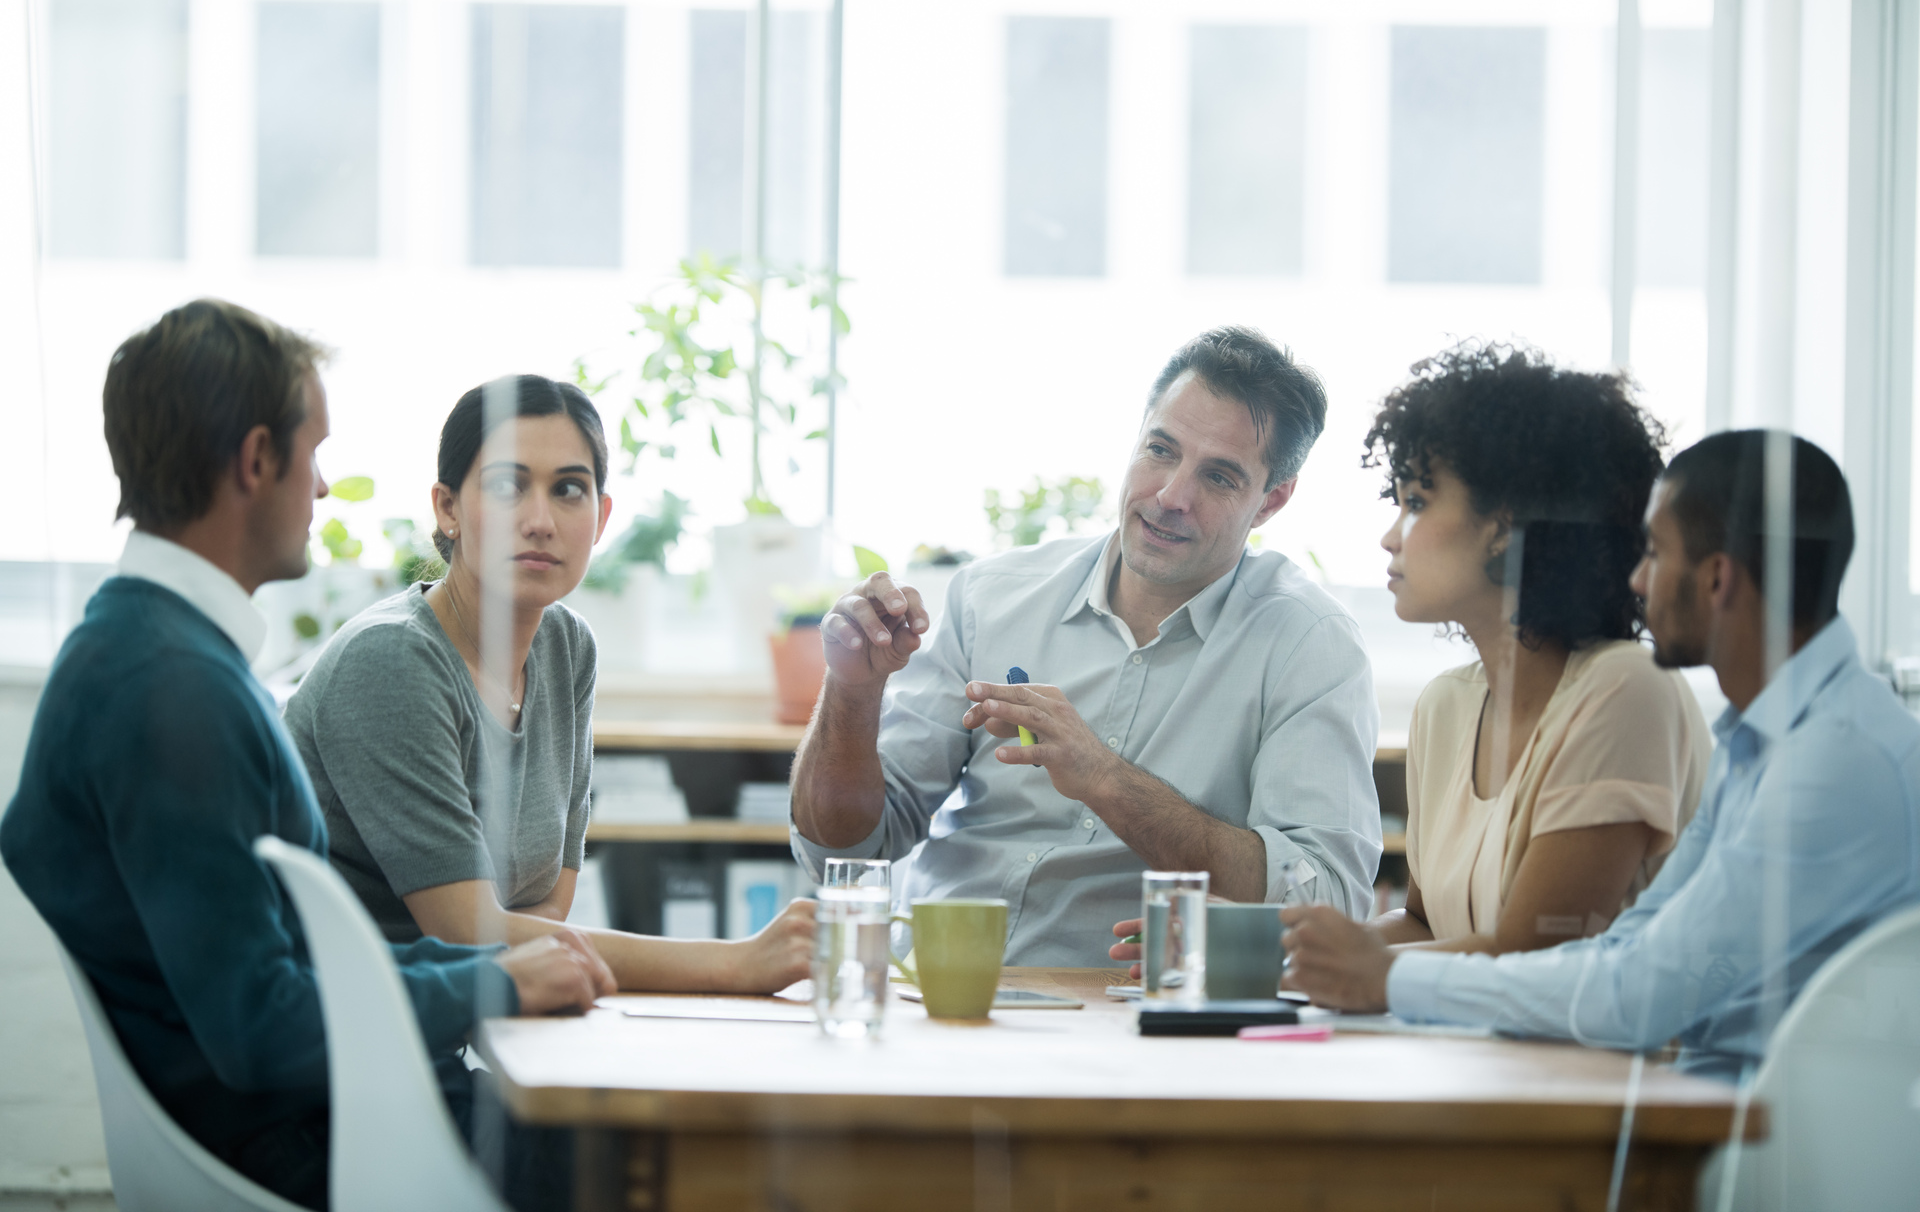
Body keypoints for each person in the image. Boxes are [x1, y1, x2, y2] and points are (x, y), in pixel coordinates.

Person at [0, 300, 615, 1211]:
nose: (324, 489)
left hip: (307, 1107)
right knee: (631, 1156)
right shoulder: (171, 692)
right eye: (315, 453)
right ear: (257, 461)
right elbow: (262, 1026)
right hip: (295, 1135)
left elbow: (309, 963)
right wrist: (487, 980)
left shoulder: (153, 649)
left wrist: (489, 974)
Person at [1281, 430, 1920, 1082]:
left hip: (1766, 1153)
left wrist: (1393, 980)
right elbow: (1626, 946)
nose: (1638, 580)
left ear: (1718, 578)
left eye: (1655, 554)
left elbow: (1638, 994)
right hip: (1714, 1122)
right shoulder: (1762, 741)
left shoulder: (1834, 762)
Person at [789, 326, 1382, 964]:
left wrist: (1107, 780)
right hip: (942, 992)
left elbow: (1327, 902)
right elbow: (847, 849)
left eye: (1218, 478)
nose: (1171, 496)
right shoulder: (991, 597)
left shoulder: (1309, 645)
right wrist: (852, 690)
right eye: (1160, 449)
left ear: (1271, 501)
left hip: (1135, 1015)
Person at [284, 376, 814, 993]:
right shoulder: (391, 659)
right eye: (508, 486)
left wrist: (512, 941)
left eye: (568, 489)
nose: (540, 521)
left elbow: (547, 905)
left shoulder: (566, 647)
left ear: (601, 517)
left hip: (466, 1021)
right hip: (349, 1037)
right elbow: (470, 933)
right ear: (447, 508)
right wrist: (734, 964)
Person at [1363, 345, 1709, 954]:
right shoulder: (1444, 707)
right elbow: (1423, 925)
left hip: (1598, 1052)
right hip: (1469, 1051)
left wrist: (1343, 967)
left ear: (1503, 526)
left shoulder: (1628, 690)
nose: (1390, 537)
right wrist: (1279, 953)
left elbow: (1532, 956)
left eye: (1417, 502)